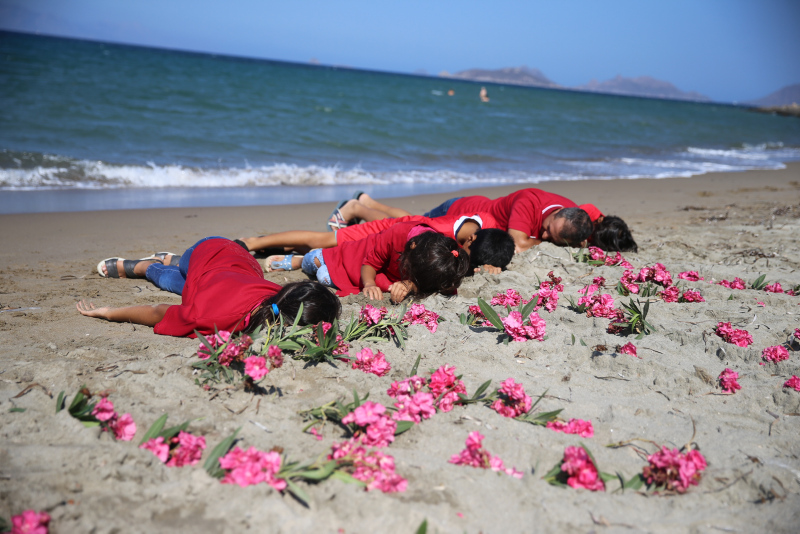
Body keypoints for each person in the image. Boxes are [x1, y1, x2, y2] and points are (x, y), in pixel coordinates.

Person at [78, 237, 341, 337]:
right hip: (208, 248)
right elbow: (158, 311)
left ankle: (173, 261)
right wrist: (108, 313)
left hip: (241, 262)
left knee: (190, 285)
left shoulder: (280, 298)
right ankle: (147, 266)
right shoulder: (209, 316)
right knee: (171, 281)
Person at [242, 208, 514, 273]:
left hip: (401, 231)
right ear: (472, 238)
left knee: (331, 247)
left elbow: (498, 244)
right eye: (467, 252)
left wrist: (492, 265)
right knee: (324, 240)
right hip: (386, 232)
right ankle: (250, 243)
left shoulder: (485, 225)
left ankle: (280, 246)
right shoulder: (441, 234)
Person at [266, 221, 471, 302]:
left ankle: (310, 260)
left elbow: (446, 284)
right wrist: (370, 284)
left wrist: (411, 285)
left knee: (324, 277)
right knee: (315, 261)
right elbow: (370, 264)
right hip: (358, 258)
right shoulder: (398, 234)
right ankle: (300, 259)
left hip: (385, 277)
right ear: (412, 247)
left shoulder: (442, 256)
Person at [423, 188, 592, 252]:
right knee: (415, 223)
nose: (545, 235)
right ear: (559, 211)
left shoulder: (575, 219)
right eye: (548, 229)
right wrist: (549, 243)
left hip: (476, 223)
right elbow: (518, 244)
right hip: (458, 213)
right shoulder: (529, 201)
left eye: (553, 238)